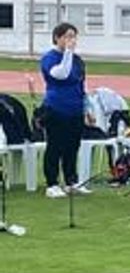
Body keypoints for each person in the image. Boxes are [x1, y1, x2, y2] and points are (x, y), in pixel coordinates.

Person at [40, 23, 89, 198]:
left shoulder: (78, 60)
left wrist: (87, 108)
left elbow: (81, 85)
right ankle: (52, 183)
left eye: (74, 36)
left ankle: (71, 181)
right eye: (67, 36)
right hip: (56, 108)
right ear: (57, 38)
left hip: (75, 109)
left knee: (72, 147)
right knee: (55, 146)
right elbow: (61, 74)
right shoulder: (49, 58)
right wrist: (67, 53)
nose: (72, 40)